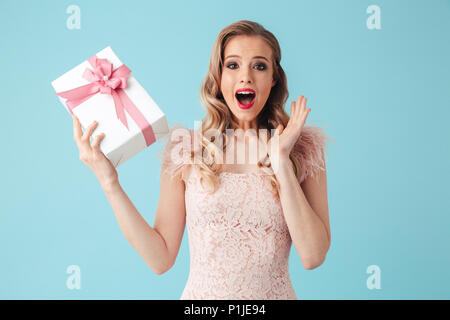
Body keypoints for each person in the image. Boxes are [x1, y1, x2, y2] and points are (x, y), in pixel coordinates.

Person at [71, 20, 332, 300]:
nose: (246, 77)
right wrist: (109, 182)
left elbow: (313, 255)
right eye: (233, 65)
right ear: (218, 76)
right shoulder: (186, 150)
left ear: (273, 78)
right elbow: (160, 259)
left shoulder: (302, 150)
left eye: (259, 66)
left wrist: (281, 161)